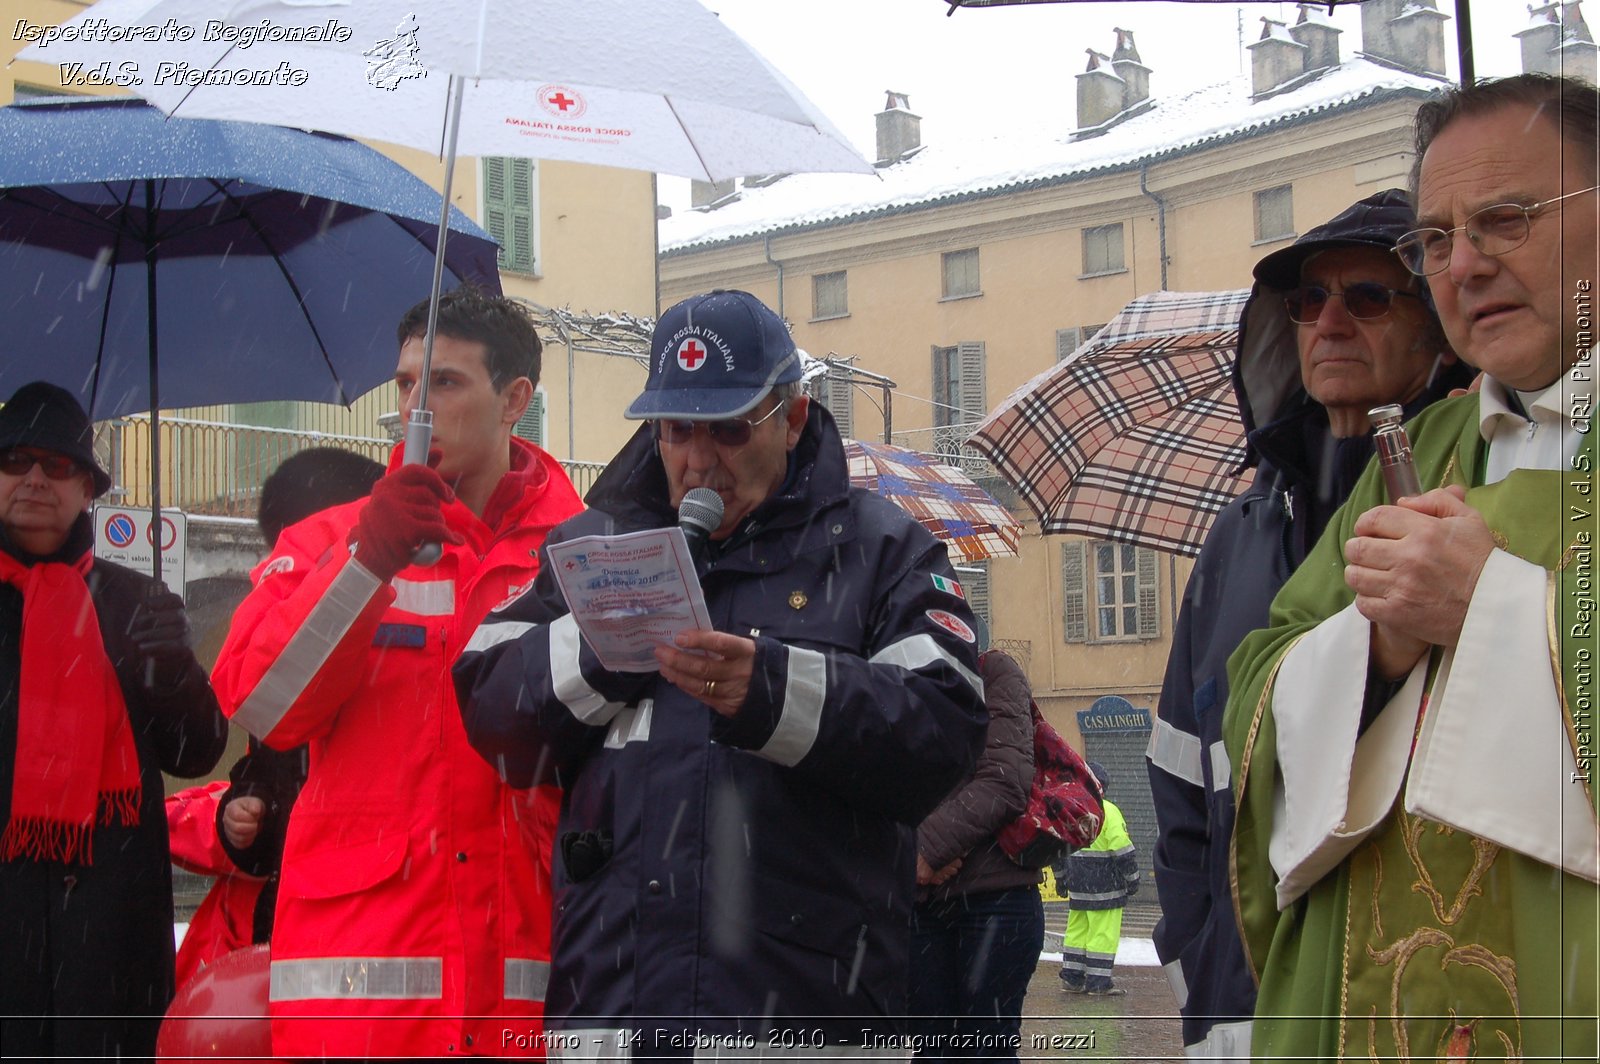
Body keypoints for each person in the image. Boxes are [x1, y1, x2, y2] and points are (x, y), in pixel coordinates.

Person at [454, 288, 988, 1055]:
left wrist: (771, 691)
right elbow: (492, 710)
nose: (699, 460)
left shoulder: (883, 552)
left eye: (730, 431)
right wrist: (611, 645)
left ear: (792, 417)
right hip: (613, 1023)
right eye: (677, 431)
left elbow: (943, 732)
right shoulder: (594, 543)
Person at [1224, 73, 1600, 1061]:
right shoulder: (1425, 446)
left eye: (1505, 219)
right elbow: (1255, 683)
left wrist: (1497, 608)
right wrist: (1377, 644)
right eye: (1433, 240)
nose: (1464, 266)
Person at [209, 287, 584, 1058]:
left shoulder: (584, 554)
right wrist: (364, 564)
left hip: (534, 985)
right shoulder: (331, 540)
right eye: (407, 383)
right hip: (358, 1008)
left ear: (516, 399)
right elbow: (265, 705)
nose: (414, 406)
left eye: (444, 383)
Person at [1145, 190, 1469, 1060]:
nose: (1328, 321)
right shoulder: (1237, 535)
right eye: (1306, 301)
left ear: (1436, 327)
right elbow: (1181, 775)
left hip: (1421, 1000)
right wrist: (1201, 963)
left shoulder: (1478, 491)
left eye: (1367, 297)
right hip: (1241, 1014)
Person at [0, 381, 227, 1058]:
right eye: (16, 460)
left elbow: (196, 751)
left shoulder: (135, 602)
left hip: (111, 927)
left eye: (60, 465)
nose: (37, 479)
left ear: (88, 488)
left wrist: (174, 665)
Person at [172, 447, 385, 987]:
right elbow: (261, 764)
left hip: (348, 921)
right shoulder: (288, 653)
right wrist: (244, 815)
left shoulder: (379, 638)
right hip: (290, 922)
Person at [909, 647, 1042, 1061]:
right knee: (931, 1052)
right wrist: (907, 855)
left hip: (996, 899)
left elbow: (1005, 780)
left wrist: (925, 849)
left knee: (986, 1051)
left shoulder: (993, 671)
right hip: (920, 904)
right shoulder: (884, 674)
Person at [1053, 762, 1138, 996]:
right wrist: (1133, 879)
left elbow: (1056, 849)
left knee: (1077, 932)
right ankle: (1098, 983)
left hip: (1078, 886)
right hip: (1106, 886)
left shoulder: (1069, 808)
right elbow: (1122, 849)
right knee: (1103, 933)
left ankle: (1072, 978)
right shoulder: (1107, 810)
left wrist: (1061, 879)